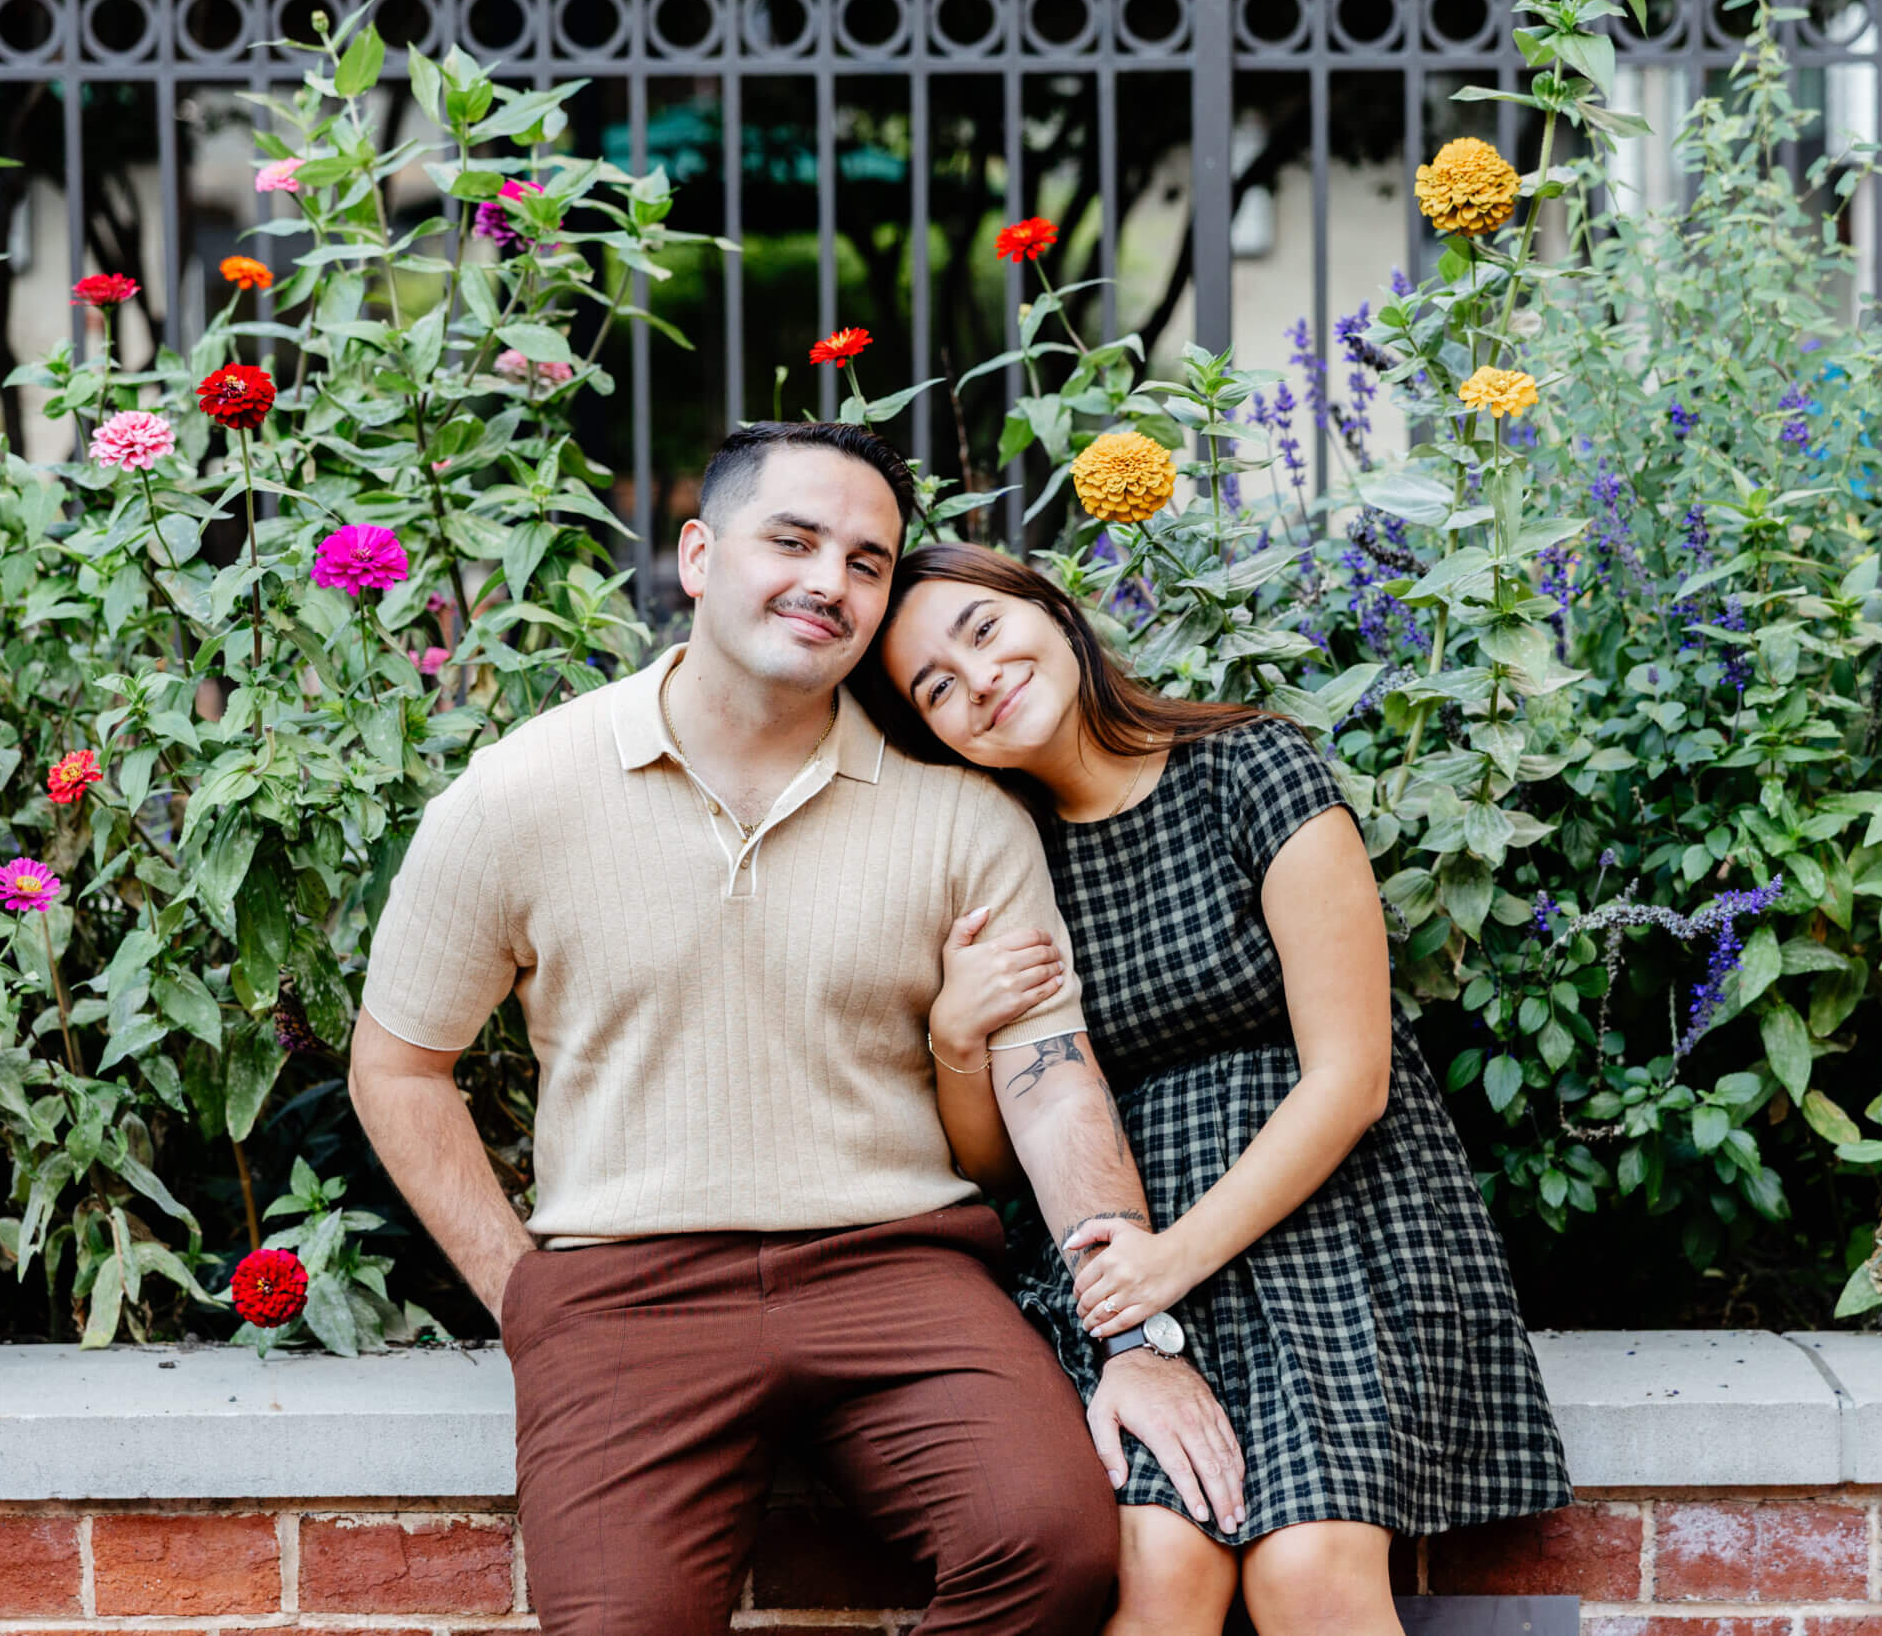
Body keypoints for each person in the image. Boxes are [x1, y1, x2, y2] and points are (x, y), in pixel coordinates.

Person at [346, 423, 1243, 1636]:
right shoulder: (519, 793)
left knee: (1053, 1546)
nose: (830, 581)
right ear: (698, 557)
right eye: (794, 540)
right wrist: (524, 1300)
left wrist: (1134, 1335)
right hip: (626, 1290)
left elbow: (1048, 1075)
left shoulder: (960, 815)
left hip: (897, 1267)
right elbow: (399, 1066)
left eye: (867, 562)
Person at [854, 541, 1574, 1636]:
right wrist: (956, 1034)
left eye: (985, 630)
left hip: (1327, 1214)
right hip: (1121, 1244)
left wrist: (1173, 1260)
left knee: (1309, 1573)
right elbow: (997, 1165)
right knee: (1161, 1568)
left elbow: (1352, 1077)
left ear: (1052, 609)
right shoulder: (1001, 856)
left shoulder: (1251, 768)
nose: (980, 679)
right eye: (936, 688)